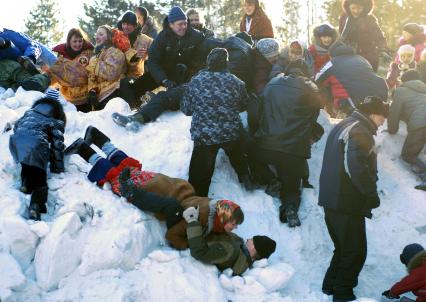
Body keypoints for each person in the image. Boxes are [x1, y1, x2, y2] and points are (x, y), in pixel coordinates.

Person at [65, 126, 245, 250]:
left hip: (164, 183)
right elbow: (173, 236)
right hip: (153, 190)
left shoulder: (214, 204)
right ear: (224, 217)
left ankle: (97, 136)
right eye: (233, 223)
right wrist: (191, 243)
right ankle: (82, 148)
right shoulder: (202, 217)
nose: (234, 227)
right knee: (115, 178)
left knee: (129, 168)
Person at [319, 96, 389, 302]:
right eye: (382, 116)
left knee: (344, 248)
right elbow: (355, 167)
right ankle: (342, 293)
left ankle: (330, 285)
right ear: (373, 113)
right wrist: (370, 193)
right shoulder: (360, 130)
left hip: (333, 198)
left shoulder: (345, 124)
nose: (383, 121)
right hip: (345, 201)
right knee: (355, 252)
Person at [111, 34, 254, 131]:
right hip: (224, 93)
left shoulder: (232, 42)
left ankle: (137, 119)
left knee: (167, 96)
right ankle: (159, 101)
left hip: (208, 86)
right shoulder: (249, 54)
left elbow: (209, 44)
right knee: (176, 90)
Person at [248, 60, 322, 227]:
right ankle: (289, 208)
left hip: (266, 146)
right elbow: (313, 120)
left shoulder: (273, 83)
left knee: (251, 152)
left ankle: (270, 178)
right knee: (292, 187)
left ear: (288, 71)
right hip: (294, 152)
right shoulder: (312, 88)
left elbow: (258, 112)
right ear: (305, 73)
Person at [181, 48, 253, 197]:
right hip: (230, 132)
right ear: (226, 64)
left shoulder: (196, 81)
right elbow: (245, 104)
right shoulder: (236, 82)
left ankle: (196, 200)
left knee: (199, 175)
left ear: (208, 63)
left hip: (204, 136)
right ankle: (245, 176)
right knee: (236, 148)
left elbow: (186, 109)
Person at [119, 6, 206, 106]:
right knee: (136, 86)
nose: (183, 27)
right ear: (171, 24)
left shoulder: (197, 36)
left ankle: (167, 99)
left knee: (181, 71)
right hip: (164, 71)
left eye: (185, 23)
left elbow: (209, 47)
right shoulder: (163, 37)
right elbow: (153, 60)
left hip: (185, 73)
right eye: (180, 24)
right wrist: (163, 79)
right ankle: (132, 103)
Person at [8, 90, 65, 220]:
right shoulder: (55, 120)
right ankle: (36, 205)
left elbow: (17, 126)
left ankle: (26, 184)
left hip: (16, 141)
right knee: (40, 177)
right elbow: (58, 146)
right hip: (37, 143)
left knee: (27, 164)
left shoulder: (29, 112)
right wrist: (57, 168)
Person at [184, 206, 276, 276]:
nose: (247, 239)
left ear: (254, 248)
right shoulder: (237, 244)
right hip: (199, 226)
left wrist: (192, 221)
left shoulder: (230, 250)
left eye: (251, 240)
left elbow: (199, 252)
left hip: (189, 232)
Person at [315, 41, 388, 115]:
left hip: (354, 103)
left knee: (323, 86)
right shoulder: (362, 59)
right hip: (378, 97)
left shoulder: (331, 63)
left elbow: (315, 80)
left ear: (331, 55)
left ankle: (335, 114)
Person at [388, 71, 426, 178]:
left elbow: (394, 113)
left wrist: (392, 130)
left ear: (404, 80)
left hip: (421, 124)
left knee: (408, 155)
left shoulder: (400, 91)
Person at [49, 28, 94, 112]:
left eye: (80, 41)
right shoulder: (62, 57)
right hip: (67, 99)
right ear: (69, 42)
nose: (78, 44)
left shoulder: (88, 53)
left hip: (86, 97)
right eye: (75, 41)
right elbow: (55, 74)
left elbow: (86, 73)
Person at [86, 25, 128, 111]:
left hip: (114, 94)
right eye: (96, 34)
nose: (97, 37)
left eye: (101, 34)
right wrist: (92, 91)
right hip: (100, 98)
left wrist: (94, 61)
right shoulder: (97, 56)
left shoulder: (117, 53)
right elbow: (92, 77)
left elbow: (111, 73)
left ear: (109, 37)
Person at [339, 0, 387, 72]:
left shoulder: (370, 19)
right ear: (348, 7)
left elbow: (379, 36)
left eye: (359, 8)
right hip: (350, 55)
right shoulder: (344, 18)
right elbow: (341, 36)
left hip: (368, 56)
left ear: (364, 7)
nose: (356, 11)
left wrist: (383, 49)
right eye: (353, 8)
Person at [117, 11, 153, 83]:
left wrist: (147, 53)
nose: (125, 27)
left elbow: (157, 50)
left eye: (128, 24)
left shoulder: (145, 40)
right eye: (123, 24)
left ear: (135, 26)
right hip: (117, 75)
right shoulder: (116, 37)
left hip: (136, 77)